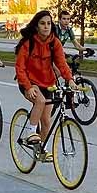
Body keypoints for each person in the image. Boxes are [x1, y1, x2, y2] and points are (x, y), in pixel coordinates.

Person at [15, 10, 75, 151]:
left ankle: (42, 149)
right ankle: (31, 132)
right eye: (42, 23)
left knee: (47, 121)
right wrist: (28, 87)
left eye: (48, 23)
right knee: (40, 101)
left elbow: (62, 64)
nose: (46, 26)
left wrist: (70, 80)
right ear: (36, 26)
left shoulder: (55, 43)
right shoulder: (28, 43)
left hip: (47, 83)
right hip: (28, 82)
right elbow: (20, 68)